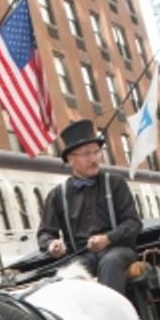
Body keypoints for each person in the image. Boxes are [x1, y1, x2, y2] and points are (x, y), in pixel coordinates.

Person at [36, 119, 141, 294]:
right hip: (81, 255)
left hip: (118, 250)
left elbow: (133, 223)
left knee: (110, 262)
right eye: (86, 154)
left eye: (96, 152)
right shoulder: (57, 195)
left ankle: (109, 317)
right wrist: (51, 245)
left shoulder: (115, 184)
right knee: (69, 273)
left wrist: (108, 238)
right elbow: (45, 233)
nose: (93, 159)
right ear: (70, 159)